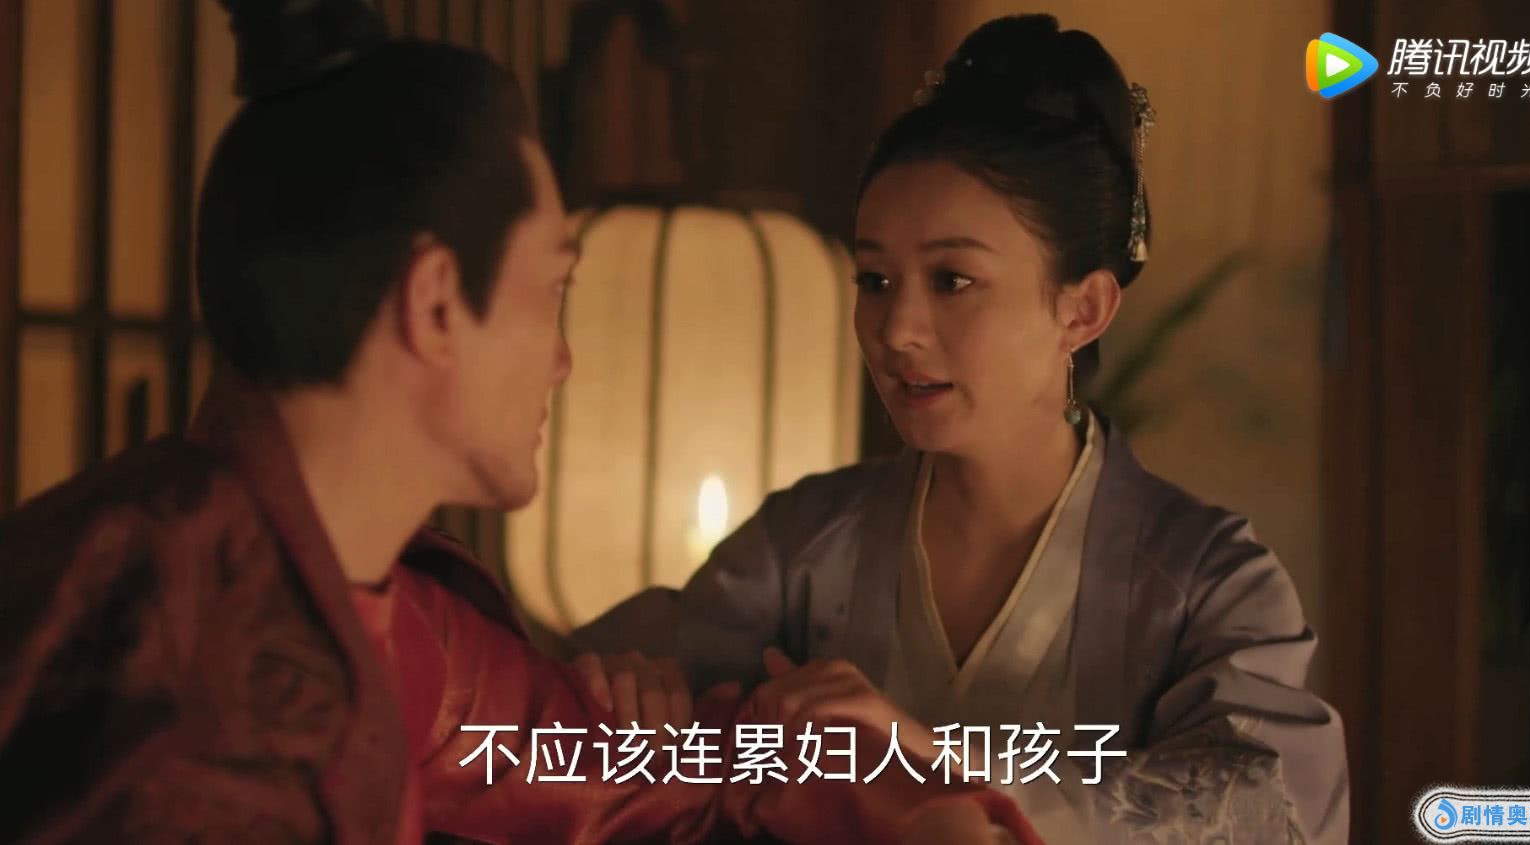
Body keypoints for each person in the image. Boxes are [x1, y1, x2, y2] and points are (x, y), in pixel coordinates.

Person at [0, 2, 1041, 843]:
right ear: (435, 304)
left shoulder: (374, 607)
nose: (564, 359)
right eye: (552, 290)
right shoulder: (188, 695)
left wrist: (913, 799)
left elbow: (611, 770)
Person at [572, 13, 1350, 845]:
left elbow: (1265, 812)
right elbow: (641, 718)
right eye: (875, 279)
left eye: (952, 279)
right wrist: (629, 688)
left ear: (1082, 308)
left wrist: (935, 760)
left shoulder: (1210, 583)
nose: (897, 328)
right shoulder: (799, 547)